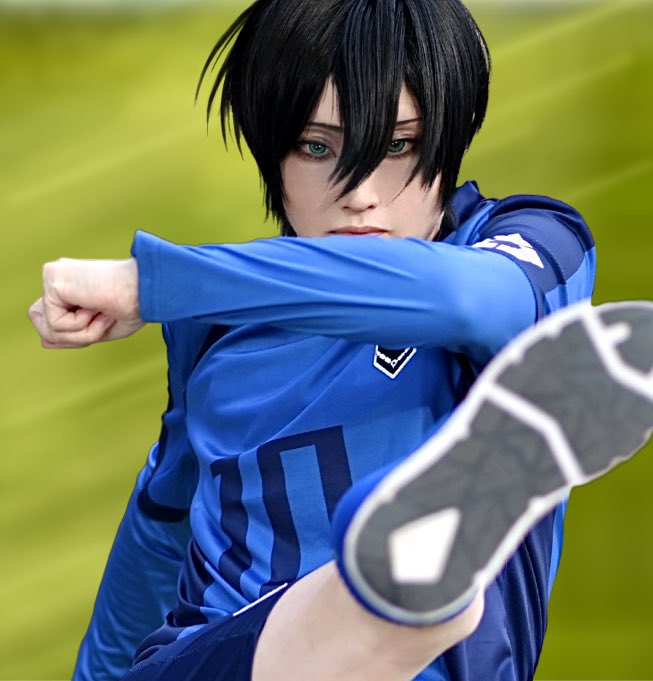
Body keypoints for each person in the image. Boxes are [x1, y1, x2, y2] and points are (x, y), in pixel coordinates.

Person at [27, 0, 653, 679]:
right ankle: (395, 577)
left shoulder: (530, 241)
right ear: (272, 151)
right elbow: (159, 531)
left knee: (382, 604)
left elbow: (472, 302)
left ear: (449, 135)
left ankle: (403, 572)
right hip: (213, 660)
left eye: (397, 145)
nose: (359, 194)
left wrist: (152, 283)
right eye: (317, 148)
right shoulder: (213, 321)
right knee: (354, 606)